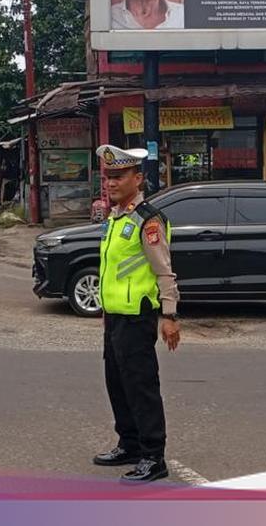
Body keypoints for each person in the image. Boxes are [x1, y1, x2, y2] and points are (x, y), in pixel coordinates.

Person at [91, 144, 181, 484]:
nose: (111, 183)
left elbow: (164, 271)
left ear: (138, 178)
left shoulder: (148, 220)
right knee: (117, 385)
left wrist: (169, 315)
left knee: (141, 387)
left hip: (137, 317)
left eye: (119, 176)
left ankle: (153, 456)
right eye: (108, 176)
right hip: (115, 317)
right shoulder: (115, 219)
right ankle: (128, 443)